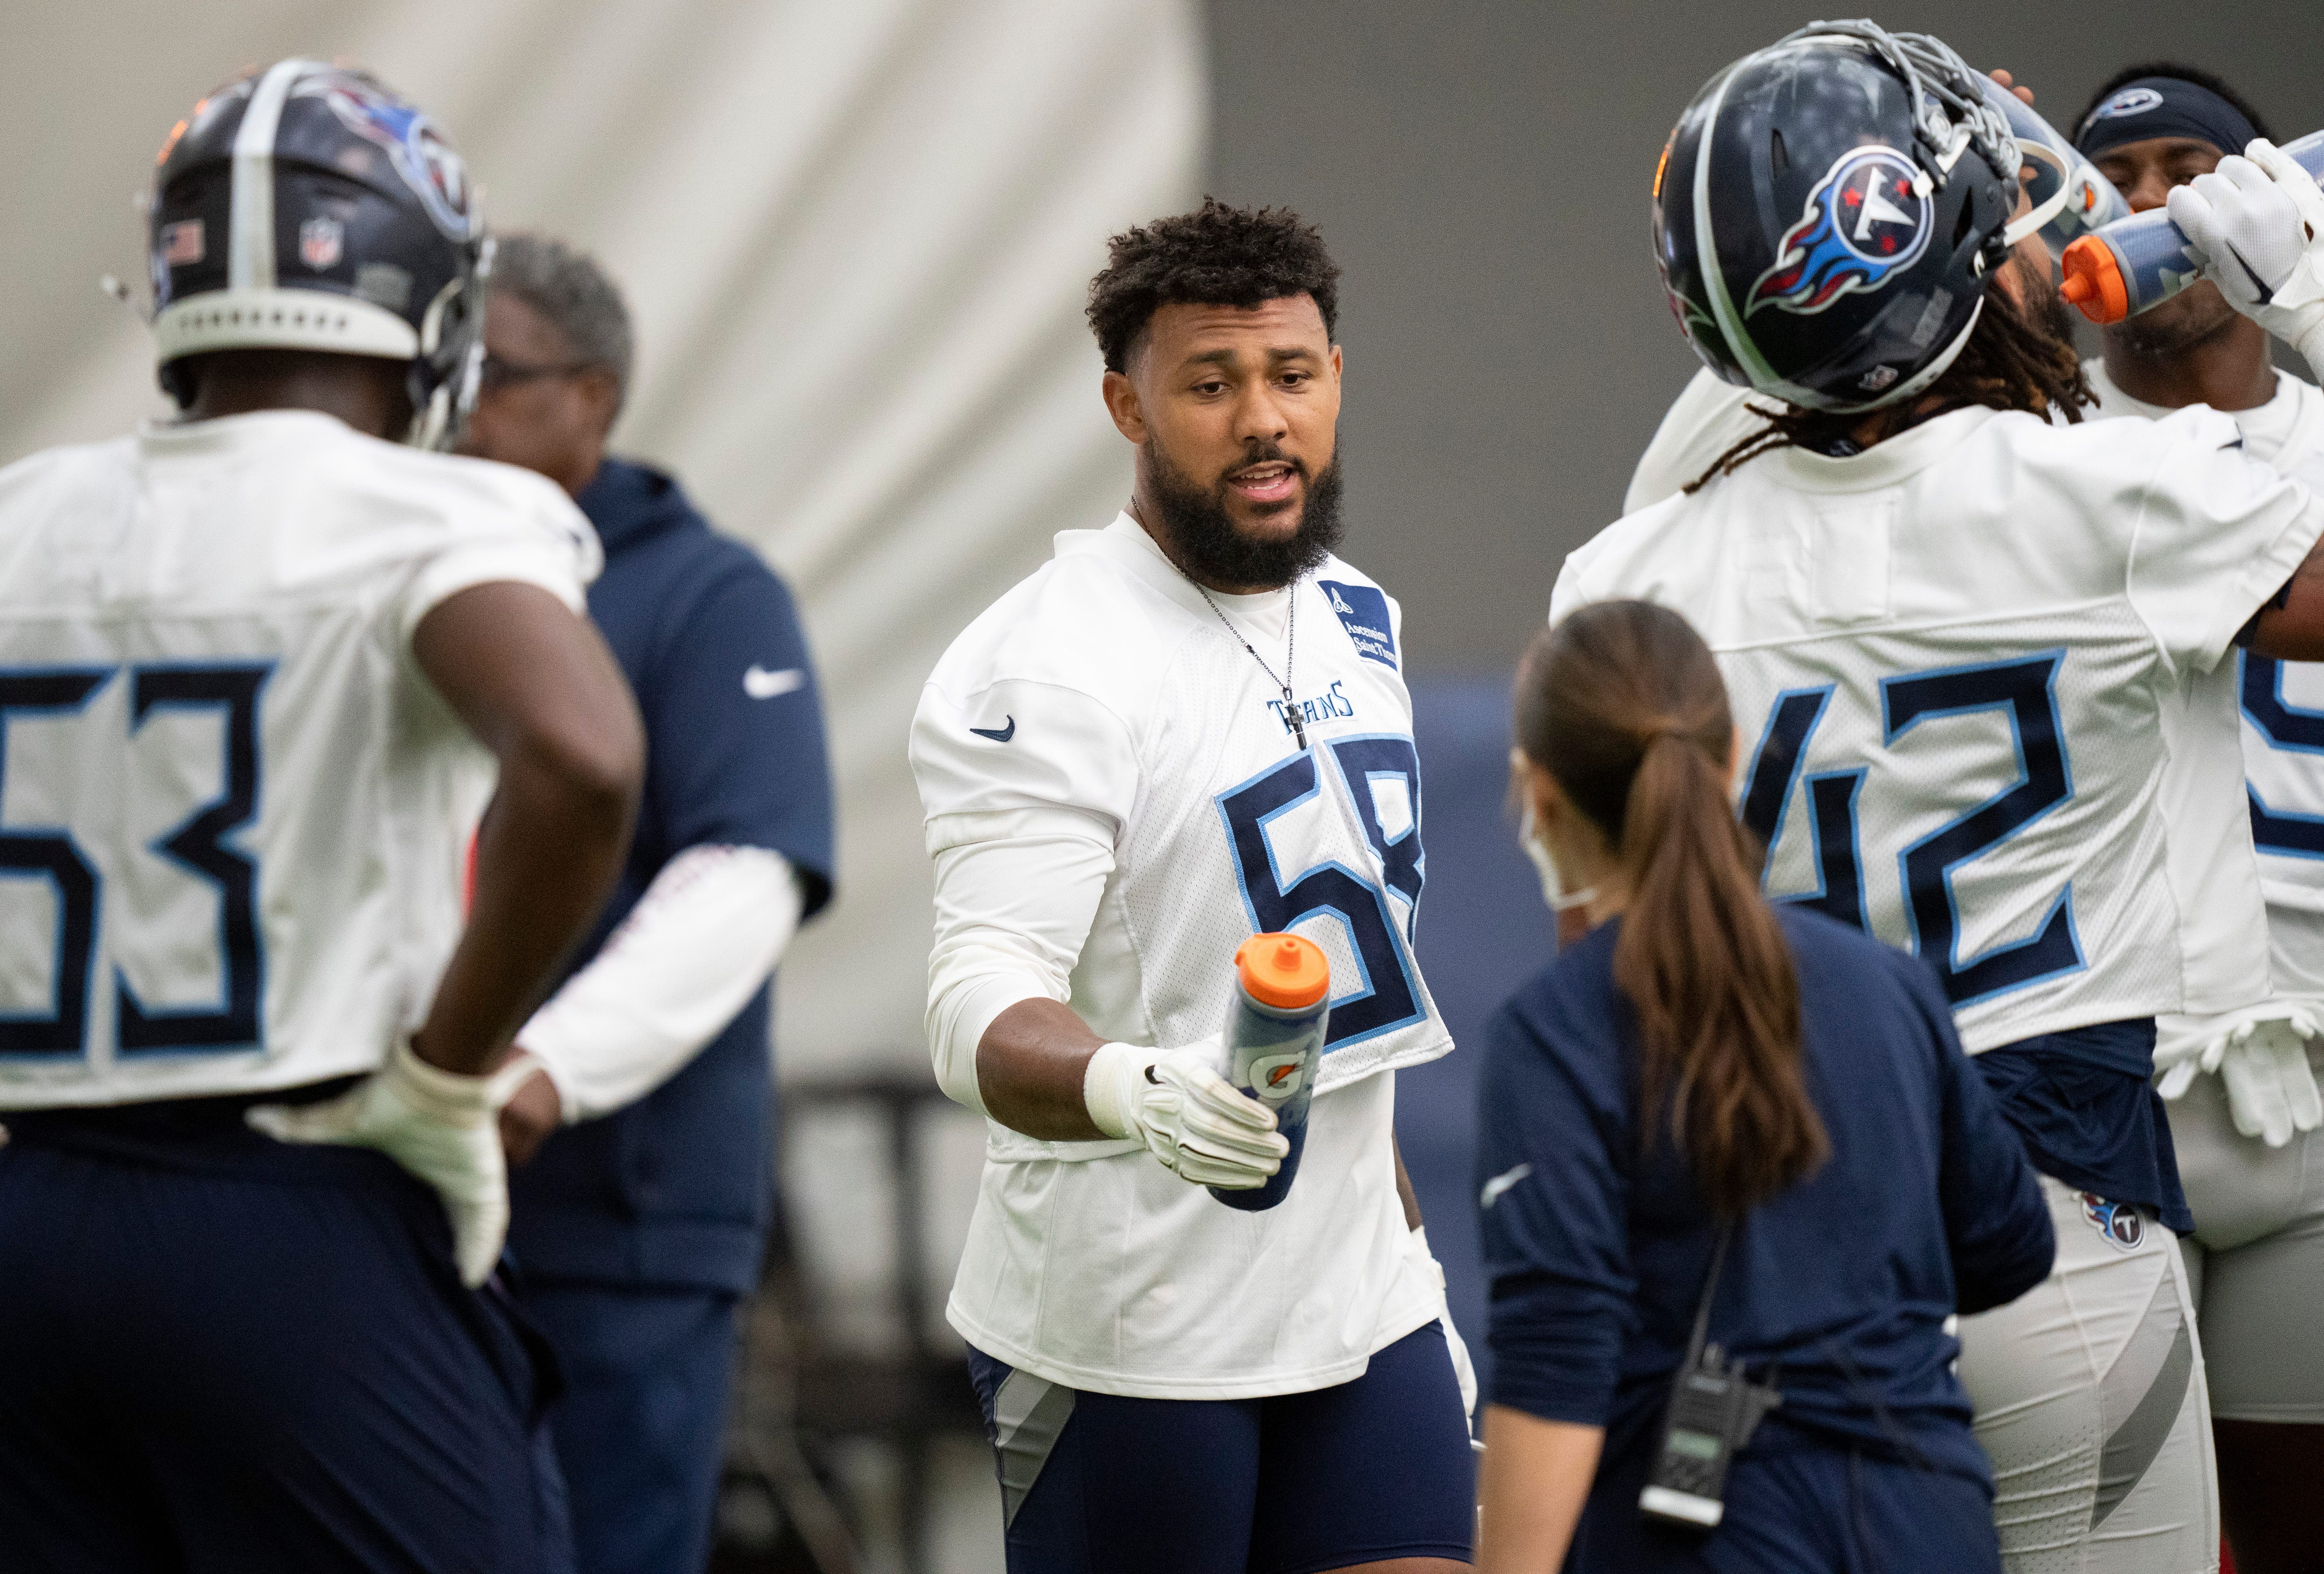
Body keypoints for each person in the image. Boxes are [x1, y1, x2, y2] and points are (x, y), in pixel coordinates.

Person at [1556, 21, 2324, 1573]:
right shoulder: (2109, 497)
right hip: (2053, 1244)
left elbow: (1596, 957)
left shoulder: (1620, 575)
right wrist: (2301, 297)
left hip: (1740, 1267)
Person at [0, 61, 643, 1570]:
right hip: (297, 1202)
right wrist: (444, 1077)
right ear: (430, 297)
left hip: (31, 1212)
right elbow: (584, 758)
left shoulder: (22, 512)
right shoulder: (435, 513)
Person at [909, 199, 1474, 1572]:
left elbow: (1347, 984)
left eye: (1288, 374)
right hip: (1132, 1325)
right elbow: (974, 996)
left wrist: (1403, 1243)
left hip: (1360, 1300)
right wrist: (1133, 1088)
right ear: (1126, 405)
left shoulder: (1356, 610)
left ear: (1334, 374)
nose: (1260, 419)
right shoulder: (1046, 663)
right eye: (1208, 385)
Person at [1475, 599, 2053, 1573]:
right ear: (1733, 755)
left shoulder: (1555, 1033)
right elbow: (2006, 1244)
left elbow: (1555, 1367)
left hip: (1700, 1538)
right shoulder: (1887, 984)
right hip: (1928, 1520)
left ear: (1538, 798)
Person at [455, 233, 837, 1574]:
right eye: (434, 371)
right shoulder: (385, 576)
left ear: (596, 397)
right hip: (390, 1209)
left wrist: (543, 1069)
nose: (455, 409)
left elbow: (745, 875)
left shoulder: (703, 596)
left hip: (615, 1227)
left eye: (493, 374)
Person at [2069, 67, 2324, 1574]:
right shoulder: (2023, 440)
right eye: (2119, 174)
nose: (2157, 205)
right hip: (2107, 1069)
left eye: (2191, 168)